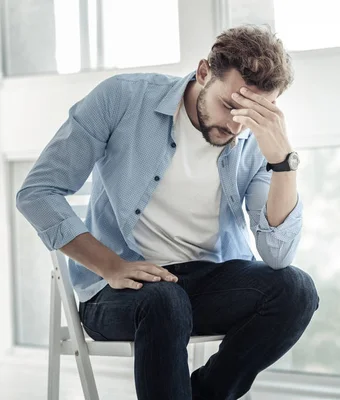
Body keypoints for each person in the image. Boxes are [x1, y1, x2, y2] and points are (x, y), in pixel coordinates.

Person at [16, 25, 318, 400]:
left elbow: (277, 256)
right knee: (164, 299)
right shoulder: (123, 98)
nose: (235, 126)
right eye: (229, 105)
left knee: (296, 290)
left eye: (252, 114)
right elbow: (38, 192)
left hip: (209, 284)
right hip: (120, 290)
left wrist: (282, 164)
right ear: (204, 72)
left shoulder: (258, 142)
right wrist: (110, 265)